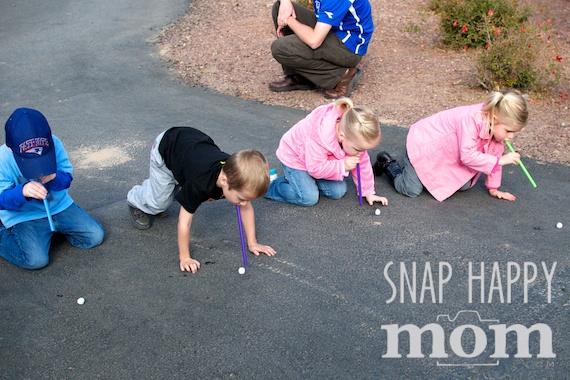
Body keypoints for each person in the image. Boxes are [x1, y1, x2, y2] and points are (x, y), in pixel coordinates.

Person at [127, 127, 276, 273]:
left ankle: (166, 186)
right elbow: (184, 223)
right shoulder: (199, 184)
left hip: (190, 148)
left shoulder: (234, 175)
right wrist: (185, 258)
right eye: (242, 199)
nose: (244, 203)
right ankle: (136, 198)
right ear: (224, 181)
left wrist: (253, 243)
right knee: (158, 203)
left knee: (174, 191)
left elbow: (246, 207)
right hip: (167, 147)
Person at [373, 90, 529, 202]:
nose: (511, 136)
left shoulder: (496, 131)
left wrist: (494, 188)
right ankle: (388, 164)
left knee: (464, 185)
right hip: (425, 144)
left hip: (446, 153)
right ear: (495, 119)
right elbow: (469, 156)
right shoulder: (470, 120)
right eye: (509, 131)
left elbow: (494, 156)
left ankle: (426, 176)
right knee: (411, 189)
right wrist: (500, 160)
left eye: (514, 132)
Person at [0, 108, 105, 270]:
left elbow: (67, 178)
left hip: (59, 206)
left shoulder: (55, 143)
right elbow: (2, 200)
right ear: (10, 148)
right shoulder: (3, 159)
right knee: (36, 261)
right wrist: (22, 192)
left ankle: (50, 232)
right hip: (25, 216)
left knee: (95, 236)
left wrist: (54, 178)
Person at [265, 97, 389, 207]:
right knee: (308, 197)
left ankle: (303, 182)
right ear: (342, 136)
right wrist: (342, 166)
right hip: (295, 158)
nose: (361, 153)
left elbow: (362, 164)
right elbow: (315, 168)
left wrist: (368, 192)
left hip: (319, 161)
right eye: (358, 150)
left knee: (337, 191)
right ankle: (270, 185)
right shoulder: (319, 137)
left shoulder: (352, 137)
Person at [268, 0, 374, 99]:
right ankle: (301, 76)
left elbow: (314, 41)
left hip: (349, 45)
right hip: (331, 28)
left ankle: (342, 75)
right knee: (280, 8)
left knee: (281, 48)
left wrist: (288, 20)